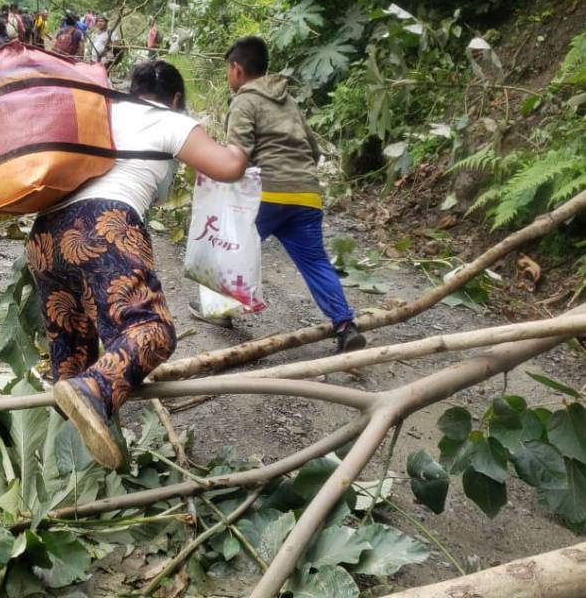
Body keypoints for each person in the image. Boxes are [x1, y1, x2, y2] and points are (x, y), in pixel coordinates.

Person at [30, 60, 248, 470]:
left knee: (72, 362)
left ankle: (67, 470)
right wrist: (249, 130)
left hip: (44, 237)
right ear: (177, 99)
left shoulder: (104, 112)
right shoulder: (170, 119)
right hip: (103, 227)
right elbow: (229, 167)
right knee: (152, 331)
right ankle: (95, 392)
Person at [222, 36, 366, 353]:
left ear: (236, 69)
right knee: (315, 262)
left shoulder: (244, 101)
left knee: (232, 247)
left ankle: (218, 310)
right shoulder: (289, 102)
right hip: (306, 194)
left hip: (268, 194)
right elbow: (313, 151)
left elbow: (238, 157)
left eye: (228, 71)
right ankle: (344, 324)